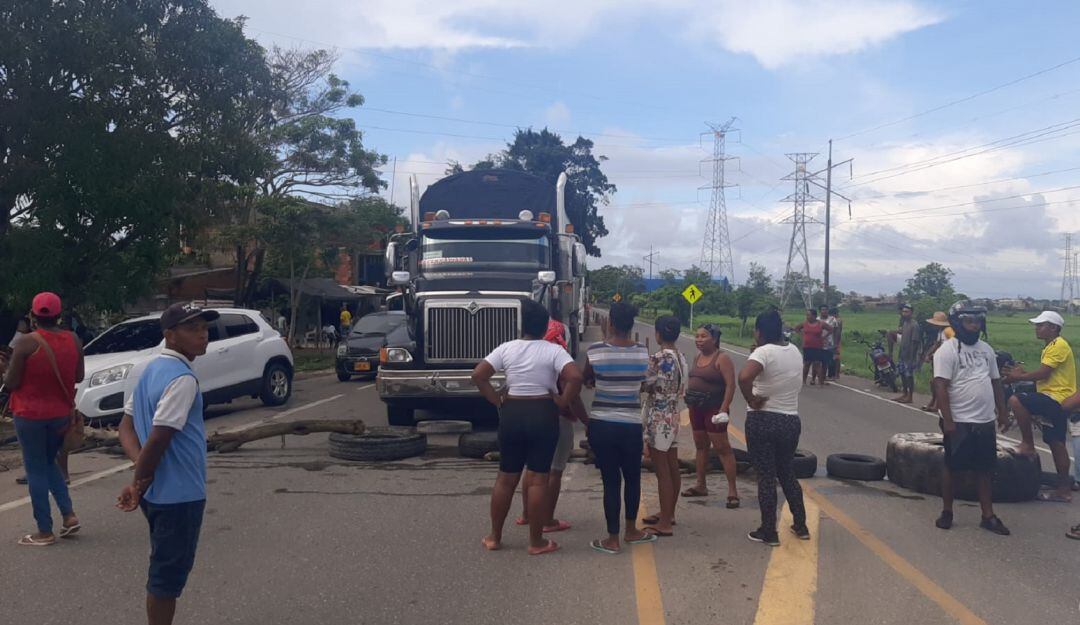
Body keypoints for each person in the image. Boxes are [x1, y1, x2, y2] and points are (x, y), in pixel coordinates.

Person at [117, 302, 219, 625]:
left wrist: (141, 475)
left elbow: (126, 427)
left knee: (164, 568)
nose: (203, 335)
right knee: (166, 579)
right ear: (170, 336)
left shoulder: (150, 371)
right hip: (180, 496)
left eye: (205, 328)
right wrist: (138, 479)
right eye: (193, 329)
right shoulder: (182, 380)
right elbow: (159, 437)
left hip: (158, 494)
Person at [472, 300, 583, 555]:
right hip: (543, 413)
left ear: (521, 325)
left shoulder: (507, 348)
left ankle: (494, 537)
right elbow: (575, 377)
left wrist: (496, 399)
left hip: (512, 412)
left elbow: (478, 375)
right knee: (537, 480)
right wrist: (562, 401)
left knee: (505, 478)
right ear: (546, 327)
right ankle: (536, 542)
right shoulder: (553, 351)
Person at [0, 293, 84, 546]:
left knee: (35, 469)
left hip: (30, 414)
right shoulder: (74, 340)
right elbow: (78, 376)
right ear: (58, 315)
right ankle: (68, 515)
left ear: (33, 316)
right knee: (49, 463)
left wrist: (6, 371)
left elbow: (12, 383)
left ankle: (44, 530)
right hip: (60, 414)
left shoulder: (26, 343)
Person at [582, 303, 656, 553]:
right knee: (633, 479)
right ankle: (632, 530)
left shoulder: (595, 351)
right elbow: (645, 383)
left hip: (602, 424)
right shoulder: (642, 353)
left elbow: (587, 378)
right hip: (631, 425)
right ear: (631, 325)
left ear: (610, 323)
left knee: (611, 481)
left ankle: (612, 539)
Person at [932, 302, 1010, 535]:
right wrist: (948, 420)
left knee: (985, 469)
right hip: (959, 420)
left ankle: (988, 515)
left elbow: (995, 381)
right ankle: (947, 511)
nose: (974, 326)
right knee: (952, 468)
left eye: (977, 321)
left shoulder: (986, 349)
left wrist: (1002, 410)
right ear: (958, 323)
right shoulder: (946, 351)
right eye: (969, 321)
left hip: (984, 420)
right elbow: (941, 386)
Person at [737, 309, 808, 547]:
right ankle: (801, 524)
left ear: (759, 331)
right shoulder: (794, 350)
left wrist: (751, 400)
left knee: (766, 477)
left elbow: (744, 377)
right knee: (787, 471)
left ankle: (769, 531)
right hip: (790, 420)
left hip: (763, 420)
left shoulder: (763, 352)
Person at [1002, 310, 1077, 503]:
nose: (1037, 328)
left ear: (1053, 327)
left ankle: (1028, 444)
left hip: (1055, 397)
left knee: (1016, 400)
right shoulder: (1052, 345)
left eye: (1041, 325)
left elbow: (1043, 373)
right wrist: (1024, 374)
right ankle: (1063, 489)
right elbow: (1048, 376)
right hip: (1055, 396)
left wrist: (1018, 376)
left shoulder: (1057, 345)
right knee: (1056, 442)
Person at [515, 308, 576, 533]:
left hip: (523, 414)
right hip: (554, 418)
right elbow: (575, 383)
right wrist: (581, 416)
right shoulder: (557, 356)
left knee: (530, 469)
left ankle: (526, 515)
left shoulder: (520, 352)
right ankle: (547, 520)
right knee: (553, 470)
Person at [679, 323, 739, 511]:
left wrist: (723, 409)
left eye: (703, 336)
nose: (699, 340)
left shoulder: (723, 358)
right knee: (700, 446)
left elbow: (731, 386)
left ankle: (732, 492)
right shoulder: (698, 357)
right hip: (696, 409)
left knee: (723, 448)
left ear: (714, 338)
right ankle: (700, 484)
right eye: (697, 336)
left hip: (714, 409)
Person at [640, 316, 689, 537]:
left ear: (658, 334)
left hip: (659, 414)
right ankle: (668, 513)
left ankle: (665, 523)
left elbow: (645, 384)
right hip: (673, 412)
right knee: (672, 465)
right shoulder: (681, 356)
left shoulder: (658, 358)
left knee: (662, 470)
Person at [921, 312, 955, 412]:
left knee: (938, 382)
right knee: (934, 382)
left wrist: (933, 354)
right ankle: (934, 401)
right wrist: (928, 354)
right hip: (939, 359)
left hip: (946, 359)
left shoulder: (949, 331)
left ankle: (937, 404)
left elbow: (952, 345)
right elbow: (937, 344)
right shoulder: (940, 332)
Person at [892, 304, 923, 404]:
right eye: (903, 311)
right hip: (902, 354)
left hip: (910, 356)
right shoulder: (905, 324)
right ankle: (904, 394)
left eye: (907, 312)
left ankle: (910, 396)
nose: (904, 313)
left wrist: (911, 358)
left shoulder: (915, 325)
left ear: (911, 313)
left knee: (909, 376)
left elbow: (915, 343)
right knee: (902, 374)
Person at [793, 309, 830, 386]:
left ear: (814, 316)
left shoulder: (821, 324)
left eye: (809, 315)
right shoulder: (804, 323)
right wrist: (802, 335)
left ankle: (820, 382)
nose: (807, 317)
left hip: (818, 346)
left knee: (817, 364)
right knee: (807, 364)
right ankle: (803, 381)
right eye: (807, 315)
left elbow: (831, 329)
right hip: (807, 346)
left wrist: (824, 336)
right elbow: (796, 328)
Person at [818, 305, 837, 381]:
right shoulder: (817, 319)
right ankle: (821, 375)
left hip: (830, 343)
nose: (824, 311)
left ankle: (830, 375)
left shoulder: (832, 319)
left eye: (826, 309)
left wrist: (836, 343)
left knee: (829, 360)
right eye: (822, 309)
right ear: (820, 311)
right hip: (819, 342)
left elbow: (836, 331)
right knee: (819, 360)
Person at [827, 307, 843, 380]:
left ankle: (836, 375)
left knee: (836, 358)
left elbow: (838, 332)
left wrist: (836, 344)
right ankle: (832, 374)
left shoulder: (837, 321)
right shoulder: (835, 320)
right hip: (832, 341)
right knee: (832, 358)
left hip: (835, 341)